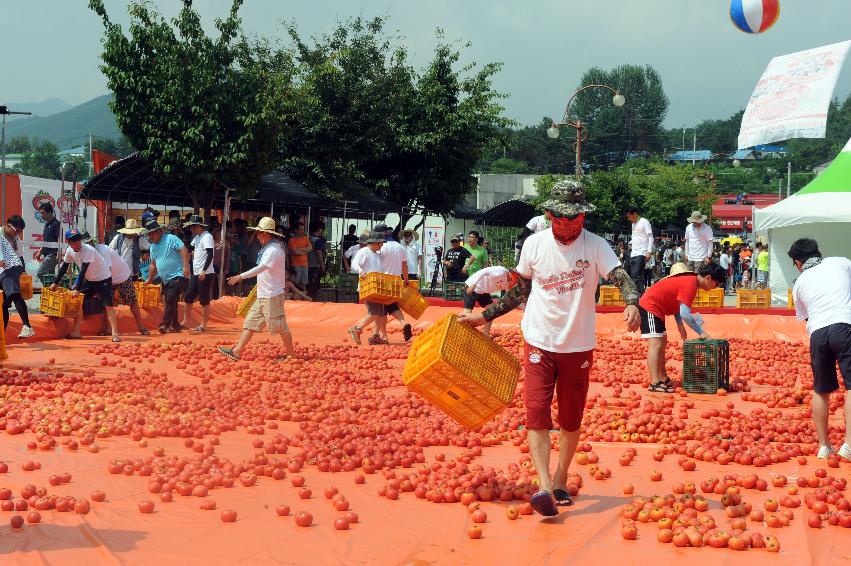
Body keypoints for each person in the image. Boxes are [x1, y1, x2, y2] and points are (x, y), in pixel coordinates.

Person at [458, 178, 640, 517]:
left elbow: (620, 276)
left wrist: (632, 302)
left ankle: (560, 477)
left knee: (571, 419)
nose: (567, 224)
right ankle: (543, 486)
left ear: (583, 217)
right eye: (560, 217)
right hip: (539, 340)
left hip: (578, 345)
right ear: (549, 214)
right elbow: (519, 292)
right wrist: (484, 316)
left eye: (574, 218)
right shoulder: (535, 245)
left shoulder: (597, 246)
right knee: (536, 413)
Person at [788, 239, 851, 460]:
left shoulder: (799, 284)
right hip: (844, 326)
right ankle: (849, 445)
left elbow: (806, 318)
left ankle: (824, 446)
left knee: (821, 389)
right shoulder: (840, 262)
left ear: (798, 262)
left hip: (818, 333)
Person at [639, 264, 725, 393]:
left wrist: (680, 326)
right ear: (708, 278)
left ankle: (663, 378)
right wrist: (701, 332)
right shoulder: (690, 283)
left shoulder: (691, 282)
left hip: (658, 310)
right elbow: (685, 313)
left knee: (662, 343)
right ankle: (655, 382)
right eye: (716, 284)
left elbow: (678, 306)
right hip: (650, 306)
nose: (715, 288)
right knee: (655, 344)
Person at [219, 217, 295, 362]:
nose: (257, 236)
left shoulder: (274, 250)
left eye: (259, 233)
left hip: (272, 295)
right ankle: (237, 351)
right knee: (250, 322)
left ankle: (291, 354)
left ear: (266, 234)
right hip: (263, 293)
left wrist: (241, 276)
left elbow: (262, 268)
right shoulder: (268, 248)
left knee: (279, 327)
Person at [54, 229, 120, 341]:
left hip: (103, 278)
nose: (76, 243)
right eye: (73, 241)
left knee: (108, 305)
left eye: (78, 240)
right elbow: (64, 267)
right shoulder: (70, 251)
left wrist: (77, 289)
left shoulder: (88, 250)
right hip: (90, 280)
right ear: (69, 242)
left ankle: (115, 333)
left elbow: (83, 271)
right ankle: (76, 332)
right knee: (78, 303)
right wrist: (55, 283)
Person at [88, 233, 149, 336]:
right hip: (107, 278)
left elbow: (108, 270)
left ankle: (141, 326)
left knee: (132, 301)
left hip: (122, 275)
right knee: (106, 303)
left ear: (92, 243)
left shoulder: (103, 250)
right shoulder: (117, 238)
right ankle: (107, 328)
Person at [143, 217, 190, 334]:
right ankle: (175, 324)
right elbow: (153, 265)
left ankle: (165, 324)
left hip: (179, 275)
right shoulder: (153, 247)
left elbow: (183, 250)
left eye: (152, 234)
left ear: (159, 231)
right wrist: (149, 279)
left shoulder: (171, 238)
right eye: (149, 234)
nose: (150, 237)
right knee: (171, 300)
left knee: (169, 299)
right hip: (166, 279)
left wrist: (186, 267)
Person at [347, 230, 389, 345]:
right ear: (375, 243)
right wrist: (361, 271)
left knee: (380, 313)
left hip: (377, 287)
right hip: (368, 287)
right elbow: (354, 264)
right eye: (380, 243)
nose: (382, 245)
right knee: (374, 312)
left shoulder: (377, 254)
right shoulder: (364, 251)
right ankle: (357, 328)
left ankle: (376, 335)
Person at [0, 216, 35, 338]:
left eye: (20, 231)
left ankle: (27, 326)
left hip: (9, 270)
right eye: (17, 230)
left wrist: (23, 272)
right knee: (3, 304)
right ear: (8, 226)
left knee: (14, 294)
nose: (18, 233)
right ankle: (2, 337)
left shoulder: (16, 239)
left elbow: (20, 257)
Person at [377, 224, 412, 343]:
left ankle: (383, 336)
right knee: (393, 306)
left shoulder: (381, 248)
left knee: (381, 309)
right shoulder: (399, 247)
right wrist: (406, 280)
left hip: (383, 280)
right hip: (396, 281)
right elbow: (405, 266)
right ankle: (404, 323)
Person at [181, 215, 215, 333]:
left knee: (204, 299)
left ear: (197, 226)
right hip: (196, 272)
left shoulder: (207, 236)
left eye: (192, 227)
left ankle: (204, 324)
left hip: (205, 273)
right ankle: (186, 321)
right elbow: (188, 248)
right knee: (188, 296)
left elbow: (210, 254)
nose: (191, 229)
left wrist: (204, 270)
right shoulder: (197, 237)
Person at [463, 265, 517, 338]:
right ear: (511, 272)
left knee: (492, 311)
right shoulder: (501, 271)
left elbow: (514, 297)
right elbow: (484, 272)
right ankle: (463, 335)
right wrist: (474, 284)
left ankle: (485, 335)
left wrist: (525, 309)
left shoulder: (508, 284)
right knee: (467, 313)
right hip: (473, 286)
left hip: (483, 291)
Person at [626, 207, 653, 294]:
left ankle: (641, 295)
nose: (629, 219)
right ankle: (640, 295)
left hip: (641, 252)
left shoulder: (644, 222)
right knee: (637, 276)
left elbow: (650, 237)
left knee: (635, 275)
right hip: (633, 253)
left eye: (630, 217)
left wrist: (649, 251)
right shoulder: (633, 224)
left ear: (635, 214)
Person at [35, 203, 61, 284]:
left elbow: (60, 240)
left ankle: (49, 289)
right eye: (40, 213)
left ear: (49, 212)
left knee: (40, 273)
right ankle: (52, 293)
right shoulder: (46, 224)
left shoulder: (56, 224)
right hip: (46, 254)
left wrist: (58, 255)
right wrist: (40, 251)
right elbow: (45, 240)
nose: (41, 215)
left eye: (43, 213)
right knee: (50, 277)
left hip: (52, 255)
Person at [287, 222, 311, 290]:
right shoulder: (292, 240)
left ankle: (302, 297)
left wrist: (300, 250)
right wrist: (305, 251)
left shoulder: (305, 238)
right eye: (301, 229)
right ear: (296, 230)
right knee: (296, 282)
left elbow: (310, 248)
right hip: (296, 264)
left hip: (305, 264)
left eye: (303, 229)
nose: (302, 231)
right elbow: (295, 252)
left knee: (304, 282)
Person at [307, 221, 327, 298]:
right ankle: (313, 299)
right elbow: (319, 253)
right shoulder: (317, 240)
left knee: (308, 284)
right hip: (315, 265)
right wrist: (323, 265)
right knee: (314, 285)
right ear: (319, 229)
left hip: (307, 264)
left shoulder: (308, 238)